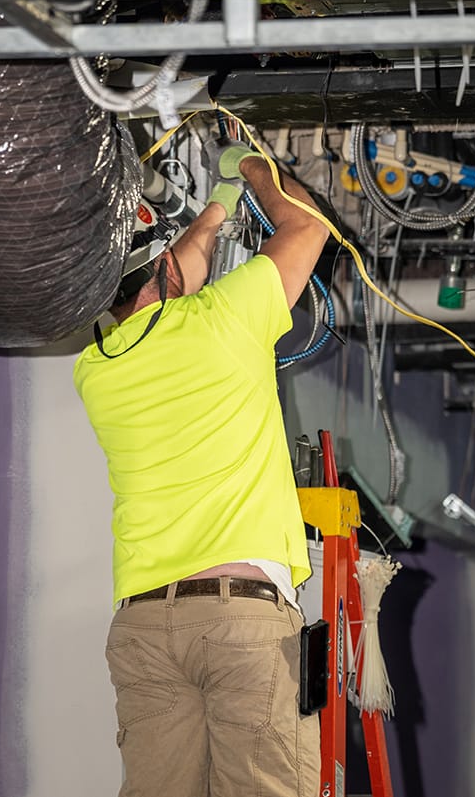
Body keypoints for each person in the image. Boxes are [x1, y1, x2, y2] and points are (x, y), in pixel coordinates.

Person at [73, 138, 330, 797]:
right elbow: (305, 223)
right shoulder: (220, 320)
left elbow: (168, 279)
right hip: (238, 626)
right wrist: (248, 169)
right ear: (163, 273)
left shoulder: (96, 368)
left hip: (145, 630)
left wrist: (215, 212)